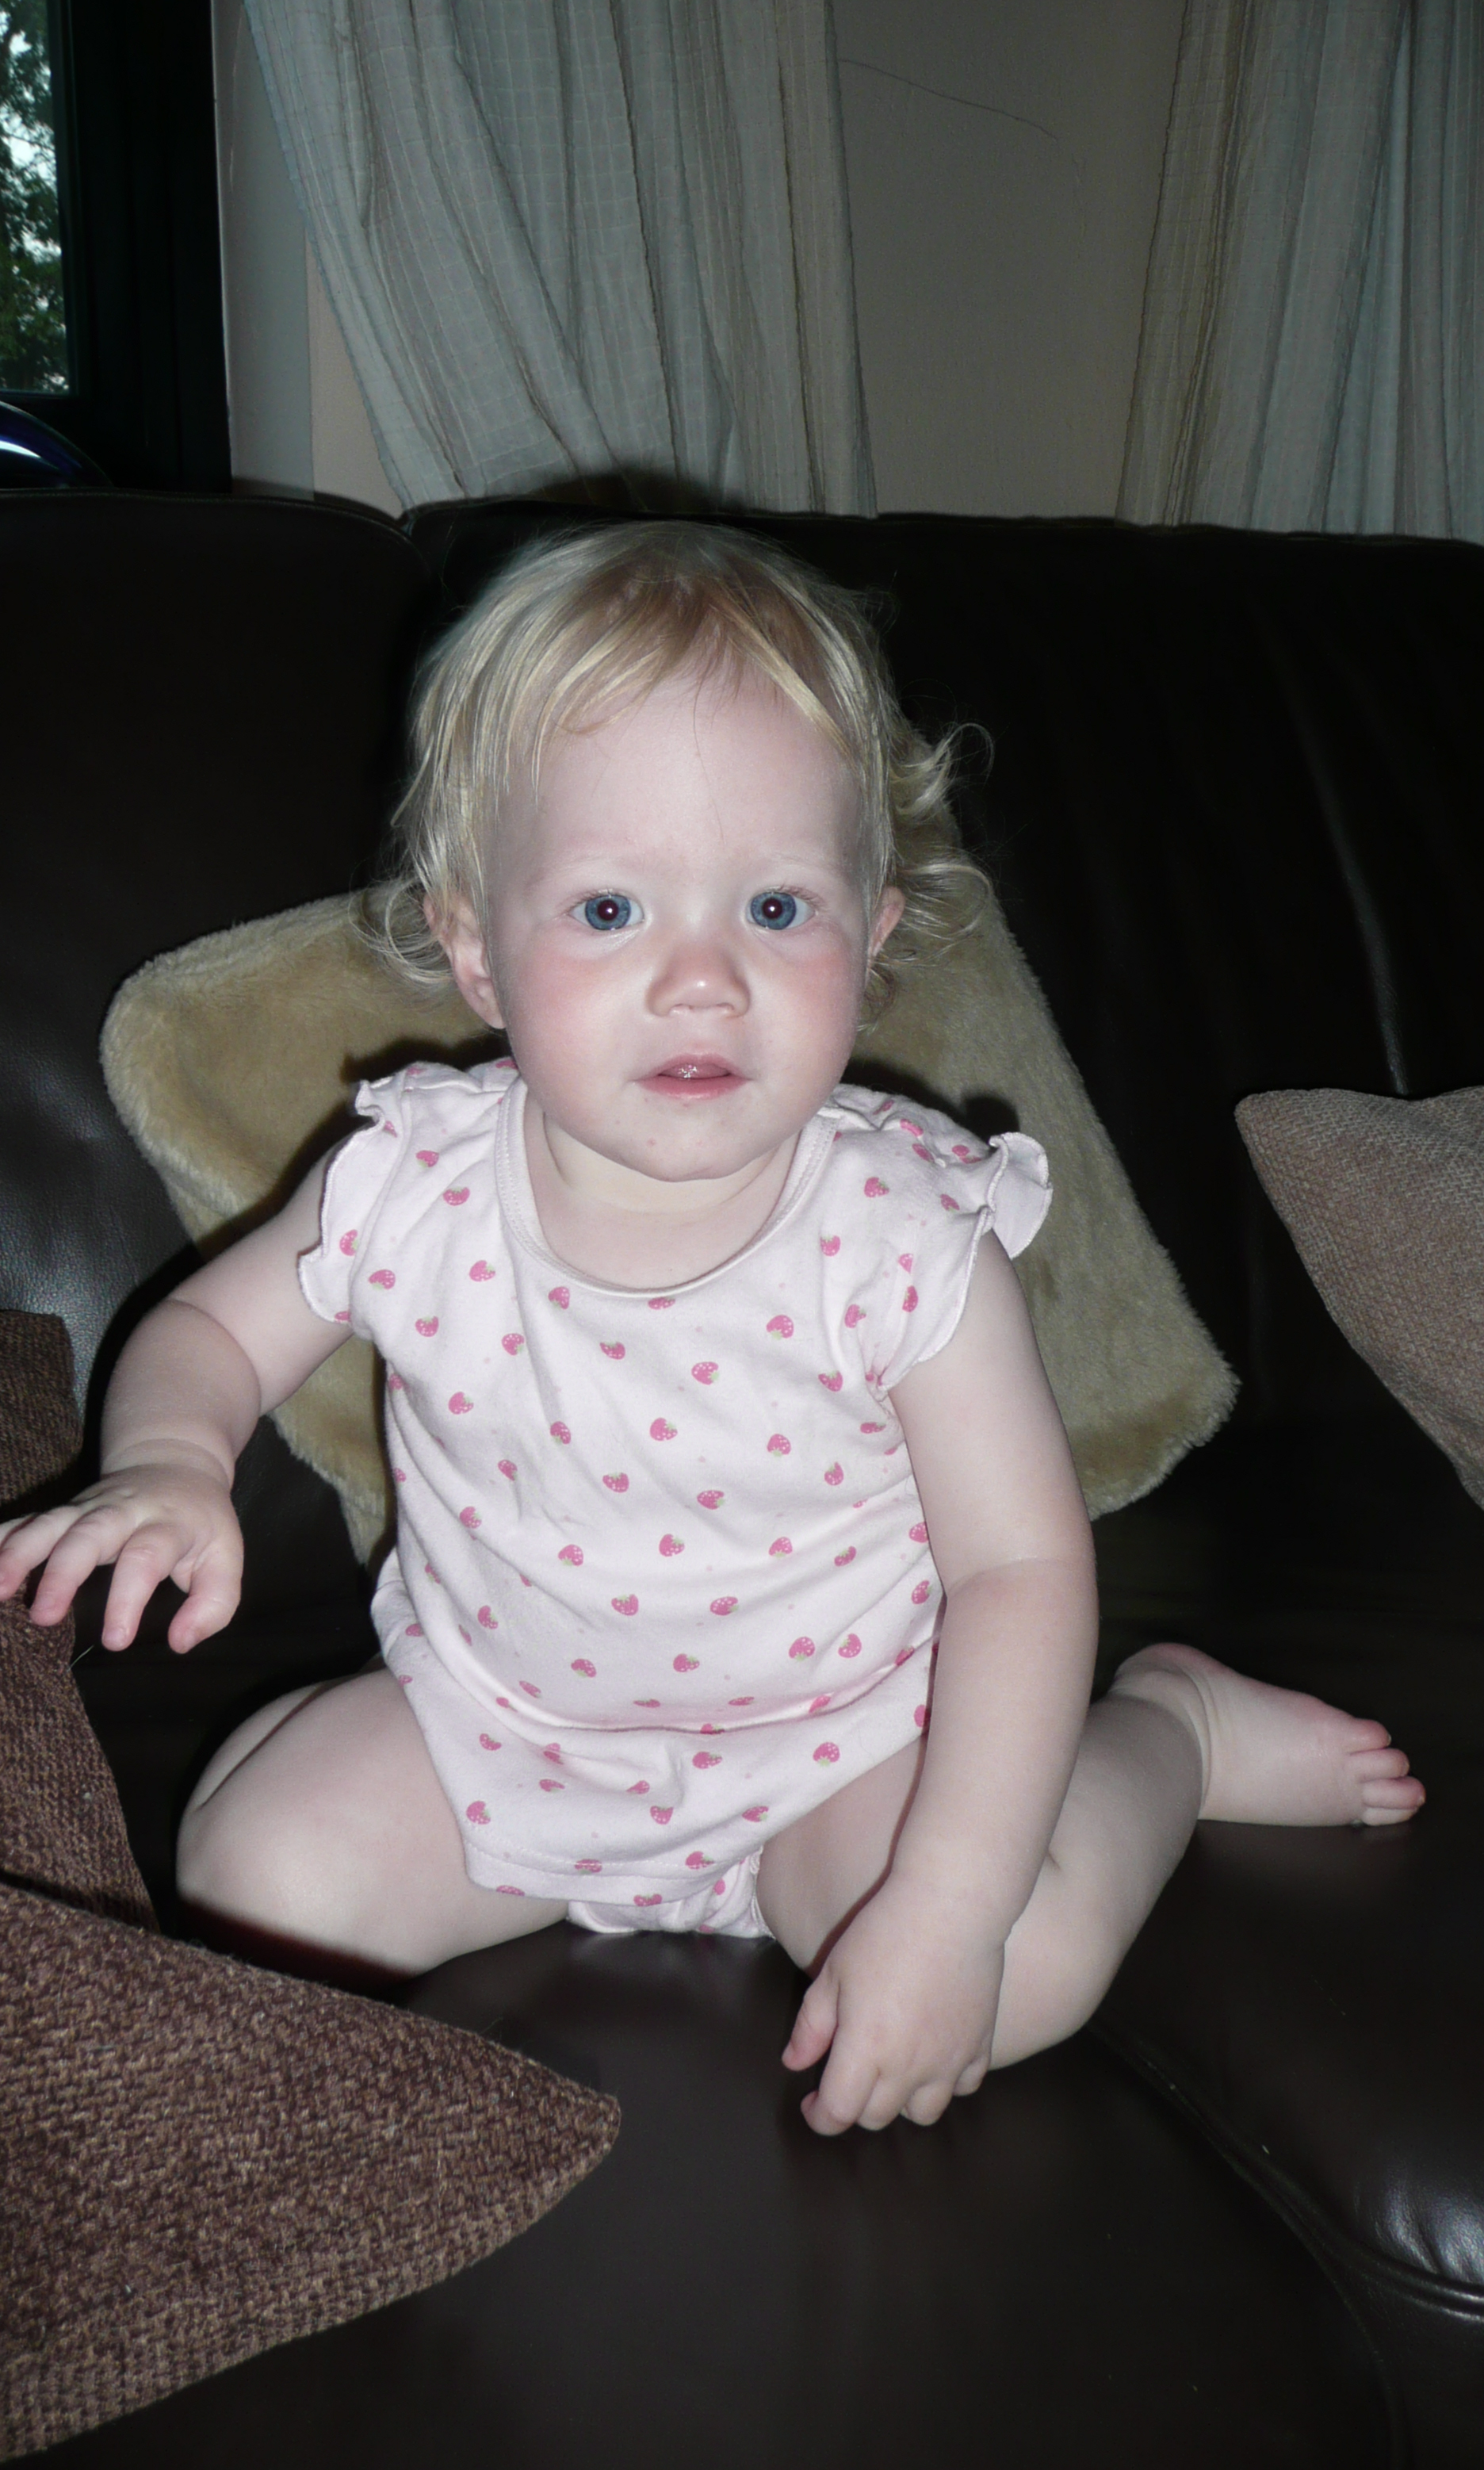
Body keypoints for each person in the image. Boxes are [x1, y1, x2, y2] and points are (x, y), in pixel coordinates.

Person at [0, 523, 1424, 2137]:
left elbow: (1019, 1570)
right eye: (610, 906)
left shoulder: (902, 1239)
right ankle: (310, 1755)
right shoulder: (415, 1180)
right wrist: (170, 1462)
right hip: (501, 1736)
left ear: (871, 935)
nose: (701, 980)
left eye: (775, 904)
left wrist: (946, 1908)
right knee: (246, 1880)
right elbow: (210, 1331)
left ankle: (1171, 1731)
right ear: (476, 946)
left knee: (1020, 1968)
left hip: (843, 1755)